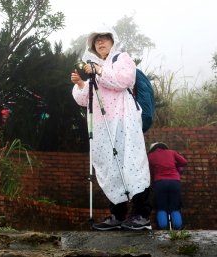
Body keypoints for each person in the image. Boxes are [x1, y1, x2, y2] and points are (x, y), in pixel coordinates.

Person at [70, 27, 152, 231]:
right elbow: (84, 99)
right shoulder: (95, 68)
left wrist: (99, 70)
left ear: (112, 41)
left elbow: (124, 80)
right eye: (97, 40)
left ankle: (141, 213)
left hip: (124, 121)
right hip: (102, 126)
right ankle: (118, 214)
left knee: (131, 162)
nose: (101, 42)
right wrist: (81, 83)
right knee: (109, 166)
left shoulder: (121, 59)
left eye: (105, 38)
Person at [147, 142, 188, 229]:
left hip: (160, 183)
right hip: (174, 182)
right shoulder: (171, 152)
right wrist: (175, 165)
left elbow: (147, 170)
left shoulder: (150, 156)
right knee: (175, 207)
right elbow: (184, 162)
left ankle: (163, 230)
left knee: (161, 207)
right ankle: (178, 228)